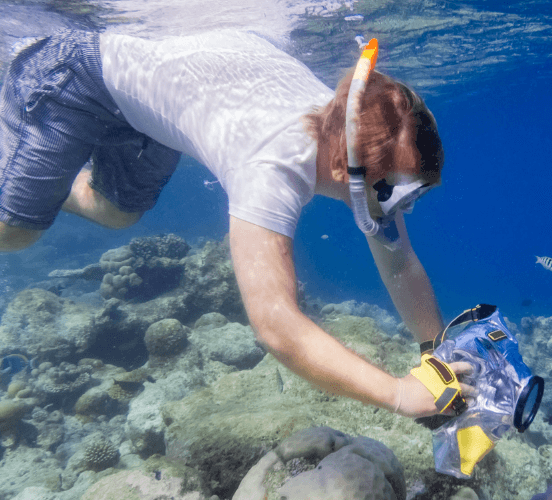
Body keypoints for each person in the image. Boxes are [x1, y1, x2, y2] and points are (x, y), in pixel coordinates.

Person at [0, 29, 473, 417]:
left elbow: (399, 264)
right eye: (399, 194)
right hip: (70, 77)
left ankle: (42, 184)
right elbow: (276, 325)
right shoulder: (269, 167)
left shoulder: (350, 135)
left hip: (150, 106)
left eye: (415, 195)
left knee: (115, 214)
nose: (403, 210)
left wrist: (435, 352)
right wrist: (396, 394)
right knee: (17, 232)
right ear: (342, 170)